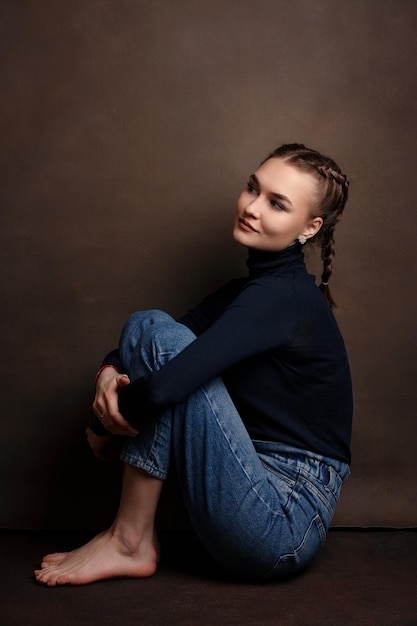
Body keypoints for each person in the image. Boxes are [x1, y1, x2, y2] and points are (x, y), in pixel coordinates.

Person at [35, 143, 353, 586]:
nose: (252, 207)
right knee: (154, 329)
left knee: (159, 337)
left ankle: (129, 540)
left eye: (277, 204)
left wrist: (103, 425)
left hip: (282, 520)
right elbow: (147, 348)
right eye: (252, 189)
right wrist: (107, 374)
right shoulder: (249, 291)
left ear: (309, 227)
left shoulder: (281, 298)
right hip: (249, 488)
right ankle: (130, 541)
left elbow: (165, 383)